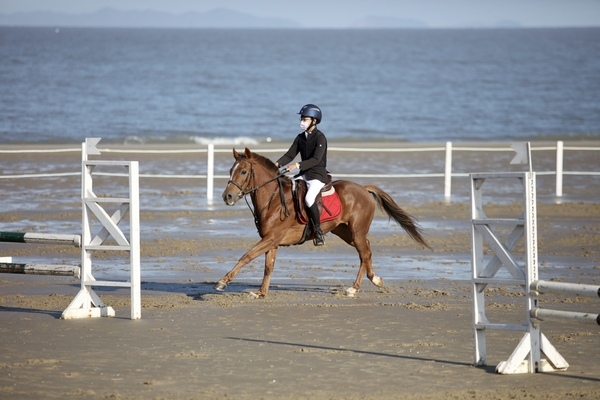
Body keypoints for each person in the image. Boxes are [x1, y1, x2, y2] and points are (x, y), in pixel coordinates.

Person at [275, 104, 330, 246]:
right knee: (287, 191)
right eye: (302, 119)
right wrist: (276, 164)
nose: (302, 122)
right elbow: (289, 155)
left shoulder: (320, 138)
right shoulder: (300, 137)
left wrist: (298, 165)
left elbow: (316, 159)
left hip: (317, 175)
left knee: (309, 199)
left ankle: (318, 232)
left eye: (305, 119)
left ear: (314, 121)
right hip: (303, 174)